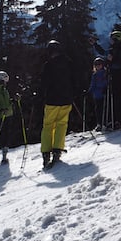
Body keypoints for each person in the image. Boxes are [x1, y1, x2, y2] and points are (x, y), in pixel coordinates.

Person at [40, 40, 78, 168]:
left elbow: (43, 83)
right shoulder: (69, 63)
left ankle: (46, 152)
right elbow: (75, 79)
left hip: (52, 100)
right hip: (66, 99)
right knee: (62, 124)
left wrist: (38, 97)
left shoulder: (48, 65)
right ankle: (57, 150)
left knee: (48, 125)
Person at [88, 57, 108, 131]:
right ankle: (99, 123)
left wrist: (105, 87)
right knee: (97, 109)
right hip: (96, 94)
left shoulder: (105, 73)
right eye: (96, 65)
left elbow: (106, 82)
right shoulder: (95, 74)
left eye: (99, 64)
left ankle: (104, 123)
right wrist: (89, 91)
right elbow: (92, 84)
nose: (98, 66)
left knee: (103, 108)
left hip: (103, 93)